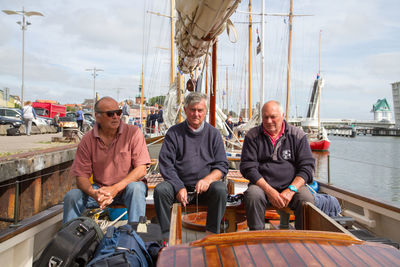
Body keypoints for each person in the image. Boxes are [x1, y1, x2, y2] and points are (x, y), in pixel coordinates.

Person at [63, 96, 151, 224]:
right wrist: (94, 194)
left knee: (136, 188)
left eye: (118, 113)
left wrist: (115, 188)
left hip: (126, 189)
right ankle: (69, 238)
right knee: (72, 196)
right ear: (97, 116)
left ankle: (136, 236)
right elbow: (81, 177)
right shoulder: (87, 140)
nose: (116, 116)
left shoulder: (133, 133)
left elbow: (141, 169)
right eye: (110, 114)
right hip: (100, 190)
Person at [154, 92, 228, 240]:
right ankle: (166, 238)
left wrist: (207, 180)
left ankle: (212, 235)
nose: (196, 114)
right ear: (185, 110)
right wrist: (178, 186)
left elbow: (222, 166)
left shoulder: (213, 134)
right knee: (160, 191)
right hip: (178, 187)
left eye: (200, 110)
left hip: (204, 189)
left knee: (220, 189)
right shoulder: (174, 133)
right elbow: (166, 164)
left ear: (205, 111)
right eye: (192, 110)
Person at [240, 100, 315, 230]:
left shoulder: (298, 136)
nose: (269, 121)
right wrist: (269, 191)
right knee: (253, 195)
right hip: (262, 187)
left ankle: (304, 240)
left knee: (306, 198)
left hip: (291, 187)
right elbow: (248, 167)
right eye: (265, 117)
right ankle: (257, 237)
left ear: (282, 116)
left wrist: (291, 190)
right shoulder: (252, 136)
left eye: (273, 117)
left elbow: (307, 167)